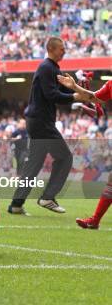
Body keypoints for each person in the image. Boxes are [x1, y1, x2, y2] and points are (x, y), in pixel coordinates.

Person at [8, 38, 88, 216]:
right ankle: (48, 197)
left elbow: (64, 92)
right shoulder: (47, 68)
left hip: (38, 121)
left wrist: (77, 87)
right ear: (50, 48)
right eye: (61, 49)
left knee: (34, 164)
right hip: (41, 122)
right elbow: (52, 95)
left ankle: (16, 204)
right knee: (65, 157)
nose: (64, 51)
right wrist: (76, 96)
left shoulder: (52, 68)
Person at [57, 75, 111, 229]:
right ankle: (95, 220)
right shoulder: (110, 84)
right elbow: (93, 98)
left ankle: (95, 220)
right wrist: (74, 86)